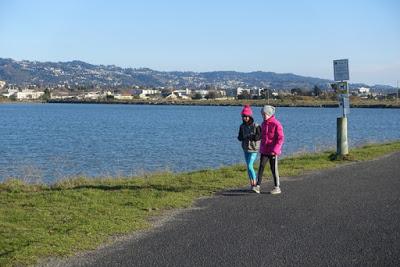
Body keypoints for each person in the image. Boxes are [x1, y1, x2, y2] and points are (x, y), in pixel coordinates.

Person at [255, 105, 284, 194]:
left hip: (273, 151)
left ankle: (277, 187)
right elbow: (261, 136)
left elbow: (281, 138)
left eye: (265, 114)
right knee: (261, 167)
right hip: (264, 150)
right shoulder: (263, 124)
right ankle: (257, 186)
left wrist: (275, 150)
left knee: (273, 169)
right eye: (262, 114)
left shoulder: (276, 124)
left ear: (270, 114)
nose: (263, 116)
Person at [237, 105, 261, 192]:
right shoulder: (241, 126)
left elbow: (259, 136)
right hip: (245, 148)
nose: (245, 118)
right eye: (243, 117)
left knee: (250, 165)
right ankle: (251, 184)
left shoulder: (256, 126)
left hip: (254, 149)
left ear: (250, 116)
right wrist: (241, 138)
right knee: (248, 166)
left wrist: (251, 136)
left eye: (246, 116)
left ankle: (255, 185)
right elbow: (239, 137)